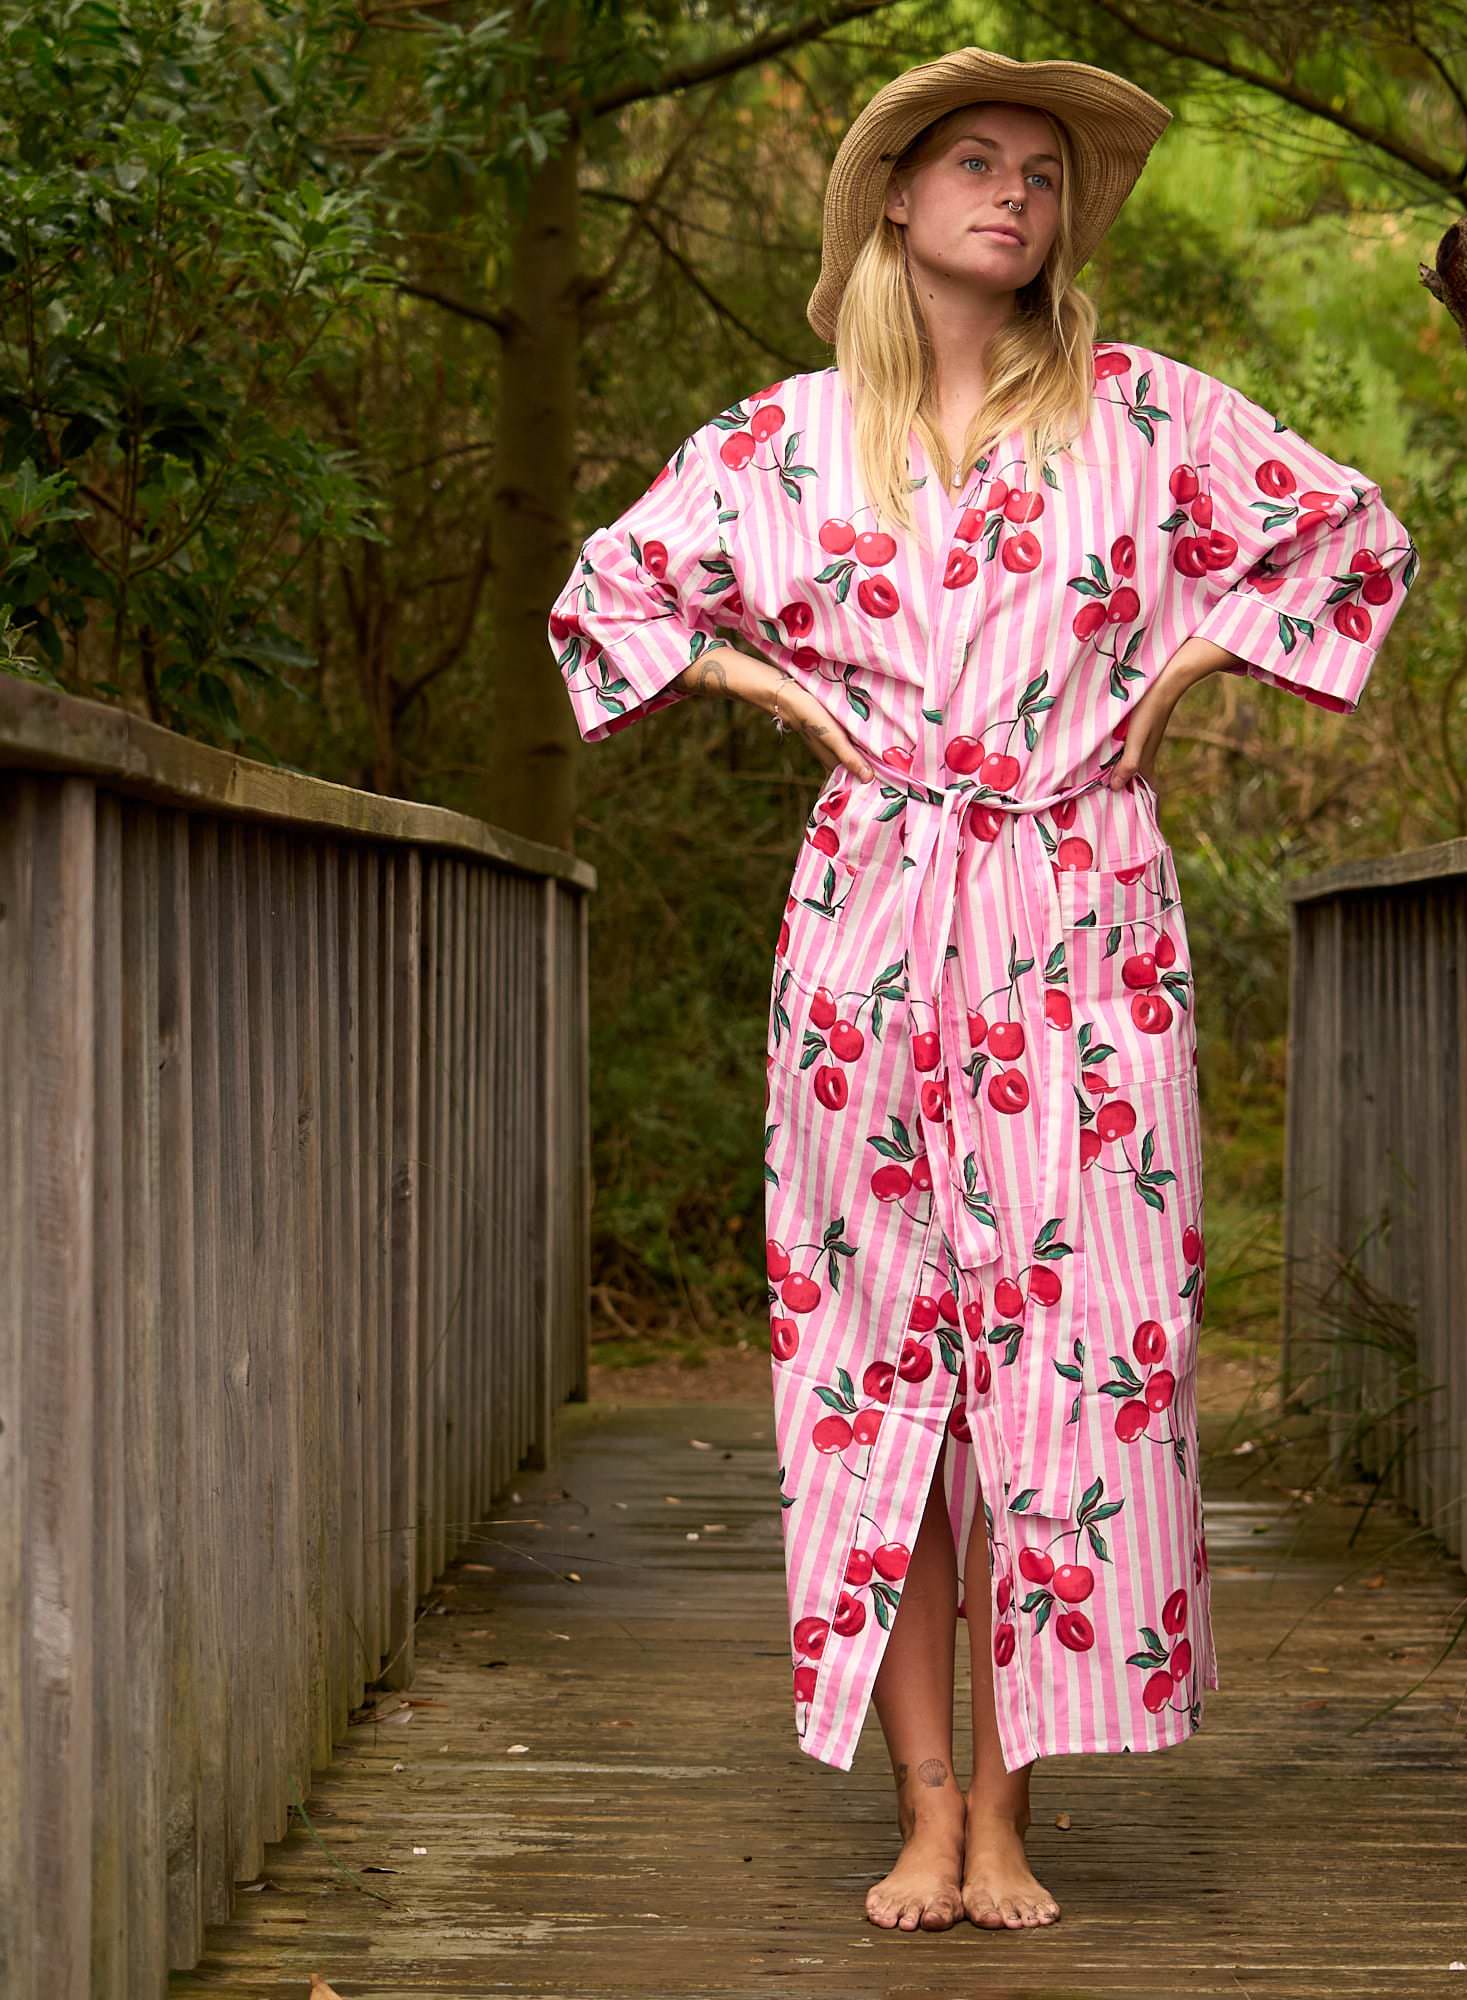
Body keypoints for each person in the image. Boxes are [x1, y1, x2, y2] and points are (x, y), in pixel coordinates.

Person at [548, 44, 1420, 1935]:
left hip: (1083, 911)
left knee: (1071, 1364)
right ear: (895, 195)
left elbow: (1353, 533)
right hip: (869, 927)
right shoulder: (786, 440)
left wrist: (1185, 667)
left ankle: (1013, 1815)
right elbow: (607, 597)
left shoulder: (1144, 416)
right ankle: (923, 1807)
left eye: (1041, 171)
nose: (1015, 192)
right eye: (974, 160)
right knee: (885, 1381)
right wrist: (768, 686)